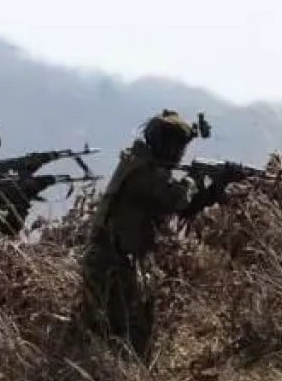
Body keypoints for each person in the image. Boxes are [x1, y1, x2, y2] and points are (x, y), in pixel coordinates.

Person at [80, 109, 224, 358]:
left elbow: (185, 209)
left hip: (120, 260)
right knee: (120, 330)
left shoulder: (143, 162)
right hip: (110, 263)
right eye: (178, 149)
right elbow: (176, 199)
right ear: (165, 147)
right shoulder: (142, 172)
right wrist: (194, 178)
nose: (180, 156)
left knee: (133, 326)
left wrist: (218, 186)